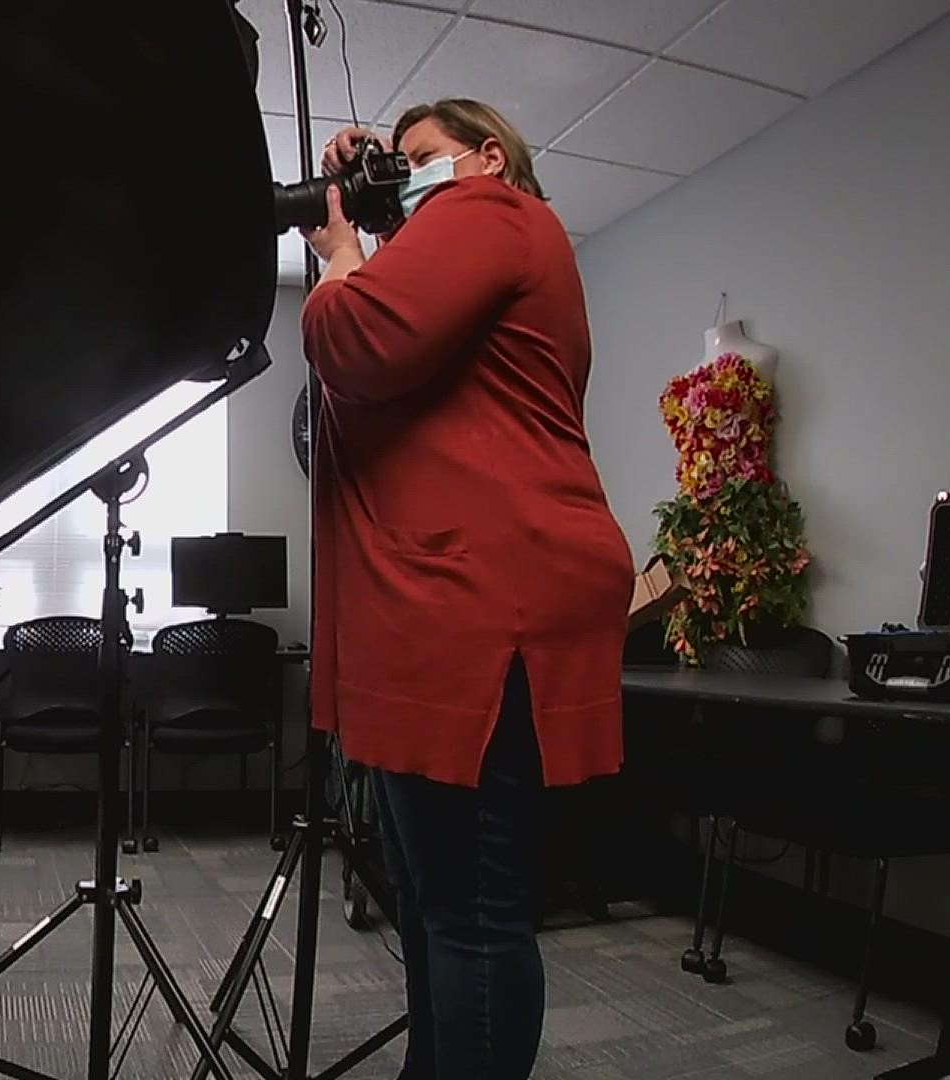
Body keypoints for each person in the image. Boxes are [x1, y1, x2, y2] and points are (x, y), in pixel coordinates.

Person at [297, 99, 635, 1079]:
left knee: (472, 911)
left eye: (426, 160)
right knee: (438, 902)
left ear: (490, 156)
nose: (414, 178)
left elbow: (355, 335)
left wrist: (339, 252)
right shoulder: (467, 239)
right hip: (452, 599)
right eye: (399, 166)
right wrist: (381, 189)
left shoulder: (493, 211)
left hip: (483, 604)